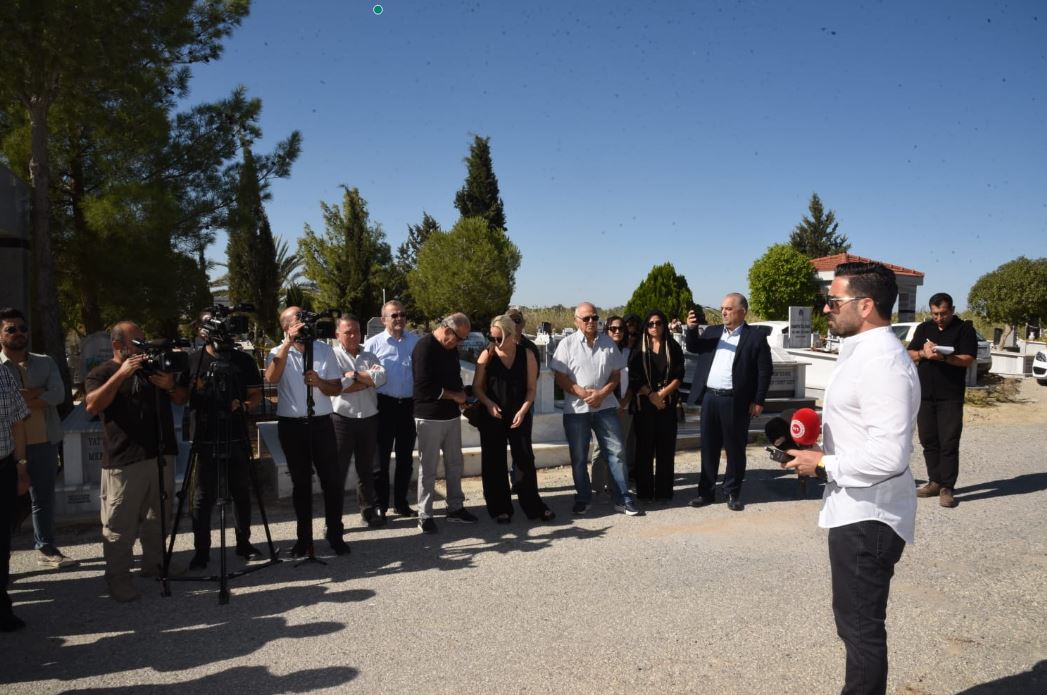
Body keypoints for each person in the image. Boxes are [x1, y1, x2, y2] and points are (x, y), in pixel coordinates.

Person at [785, 262, 920, 695]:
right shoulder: (863, 352)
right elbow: (861, 426)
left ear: (865, 306)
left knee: (860, 628)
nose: (826, 308)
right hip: (856, 507)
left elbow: (889, 455)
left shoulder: (883, 362)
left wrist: (824, 464)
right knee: (854, 624)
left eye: (834, 300)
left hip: (869, 515)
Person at [85, 321, 187, 602]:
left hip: (161, 455)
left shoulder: (153, 369)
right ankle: (118, 578)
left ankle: (155, 562)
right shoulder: (101, 373)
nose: (143, 347)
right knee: (120, 523)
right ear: (118, 345)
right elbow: (92, 405)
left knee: (159, 517)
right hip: (125, 460)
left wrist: (170, 385)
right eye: (137, 342)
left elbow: (181, 399)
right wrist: (121, 375)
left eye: (144, 341)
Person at [178, 310, 263, 570]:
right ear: (199, 330)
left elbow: (255, 395)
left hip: (236, 434)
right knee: (202, 497)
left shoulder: (243, 360)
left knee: (241, 492)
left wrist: (244, 406)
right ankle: (202, 551)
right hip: (204, 436)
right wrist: (193, 388)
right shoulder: (193, 360)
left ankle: (243, 543)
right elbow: (179, 398)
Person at [264, 307, 349, 557]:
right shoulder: (276, 352)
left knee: (331, 481)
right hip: (292, 426)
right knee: (301, 484)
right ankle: (304, 539)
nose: (303, 323)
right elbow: (271, 378)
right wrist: (287, 345)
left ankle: (335, 534)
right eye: (297, 319)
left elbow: (336, 388)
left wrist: (319, 382)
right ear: (286, 327)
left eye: (304, 318)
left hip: (321, 423)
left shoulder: (323, 350)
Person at [550, 302, 643, 516]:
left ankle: (623, 498)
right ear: (576, 321)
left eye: (594, 317)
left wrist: (601, 394)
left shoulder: (608, 343)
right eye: (586, 318)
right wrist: (582, 393)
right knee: (579, 457)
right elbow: (560, 377)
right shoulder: (567, 344)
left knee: (617, 452)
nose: (591, 321)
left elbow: (616, 375)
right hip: (576, 410)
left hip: (605, 406)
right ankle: (583, 498)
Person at [0, 308, 76, 568]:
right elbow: (11, 405)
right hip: (9, 447)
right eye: (11, 329)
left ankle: (46, 547)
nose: (19, 333)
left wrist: (24, 396)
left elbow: (58, 395)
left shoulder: (45, 362)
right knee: (7, 504)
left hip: (44, 442)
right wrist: (39, 392)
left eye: (23, 328)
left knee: (43, 498)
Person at [684, 293, 772, 511]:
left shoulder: (755, 337)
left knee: (735, 448)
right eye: (722, 308)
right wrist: (691, 329)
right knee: (708, 447)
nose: (723, 312)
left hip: (736, 401)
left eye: (729, 309)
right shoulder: (712, 332)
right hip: (710, 398)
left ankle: (732, 492)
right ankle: (705, 492)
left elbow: (764, 371)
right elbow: (694, 347)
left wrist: (758, 400)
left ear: (743, 312)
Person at [473, 314, 554, 523]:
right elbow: (477, 387)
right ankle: (499, 508)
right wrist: (488, 404)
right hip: (493, 415)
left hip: (519, 414)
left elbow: (531, 389)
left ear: (511, 335)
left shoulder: (527, 354)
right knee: (493, 461)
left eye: (498, 338)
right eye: (491, 337)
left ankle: (534, 506)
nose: (494, 342)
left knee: (524, 459)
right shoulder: (487, 354)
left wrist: (524, 410)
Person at [906, 293, 977, 508]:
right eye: (935, 314)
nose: (939, 318)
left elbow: (968, 359)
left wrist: (944, 357)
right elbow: (909, 354)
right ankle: (934, 482)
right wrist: (923, 353)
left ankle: (947, 487)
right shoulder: (924, 328)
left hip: (950, 396)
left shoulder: (964, 329)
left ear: (952, 310)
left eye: (943, 313)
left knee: (948, 442)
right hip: (925, 395)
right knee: (928, 440)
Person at [412, 313, 479, 533]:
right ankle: (425, 515)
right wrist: (454, 396)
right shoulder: (424, 347)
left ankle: (455, 508)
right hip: (429, 417)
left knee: (455, 464)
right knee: (428, 468)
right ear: (448, 330)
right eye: (459, 338)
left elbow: (454, 378)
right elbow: (423, 386)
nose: (459, 343)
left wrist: (463, 398)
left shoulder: (450, 349)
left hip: (451, 415)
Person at [363, 300, 420, 518]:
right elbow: (365, 374)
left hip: (408, 406)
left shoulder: (415, 342)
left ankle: (401, 503)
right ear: (383, 319)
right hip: (383, 405)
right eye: (394, 315)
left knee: (405, 459)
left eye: (402, 314)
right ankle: (380, 505)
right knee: (381, 461)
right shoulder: (373, 344)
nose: (399, 319)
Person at [331, 315, 386, 528]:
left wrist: (353, 375)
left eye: (356, 331)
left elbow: (381, 378)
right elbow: (338, 386)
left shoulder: (370, 355)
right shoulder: (332, 357)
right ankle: (333, 519)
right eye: (348, 332)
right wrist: (366, 380)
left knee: (367, 469)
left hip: (369, 419)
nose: (354, 336)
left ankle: (368, 511)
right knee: (338, 471)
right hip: (342, 421)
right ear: (337, 335)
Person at [629, 309, 685, 501]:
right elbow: (634, 376)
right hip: (645, 405)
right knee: (644, 450)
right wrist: (652, 395)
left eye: (658, 323)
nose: (655, 327)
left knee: (666, 450)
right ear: (646, 326)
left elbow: (679, 375)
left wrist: (661, 395)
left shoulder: (673, 346)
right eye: (651, 323)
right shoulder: (639, 347)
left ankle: (664, 492)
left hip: (667, 404)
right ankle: (645, 493)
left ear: (664, 325)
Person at [590, 315, 635, 494]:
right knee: (599, 448)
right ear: (606, 330)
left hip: (624, 406)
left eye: (621, 328)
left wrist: (623, 403)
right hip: (603, 406)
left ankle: (615, 485)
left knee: (619, 449)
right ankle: (597, 487)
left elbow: (634, 381)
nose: (617, 332)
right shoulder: (599, 350)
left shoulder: (629, 353)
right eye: (613, 328)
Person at [1, 364, 30, 630]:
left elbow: (18, 422)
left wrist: (21, 466)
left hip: (3, 468)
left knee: (2, 544)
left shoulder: (2, 373)